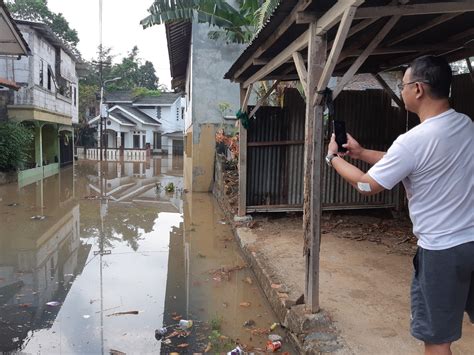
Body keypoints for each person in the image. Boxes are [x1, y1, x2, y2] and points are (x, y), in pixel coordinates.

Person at [325, 55, 474, 355]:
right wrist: (362, 152)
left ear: (418, 89)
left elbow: (368, 185)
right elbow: (412, 164)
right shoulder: (464, 124)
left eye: (403, 84)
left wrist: (333, 159)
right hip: (471, 240)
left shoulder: (413, 140)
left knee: (436, 339)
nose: (401, 89)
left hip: (441, 251)